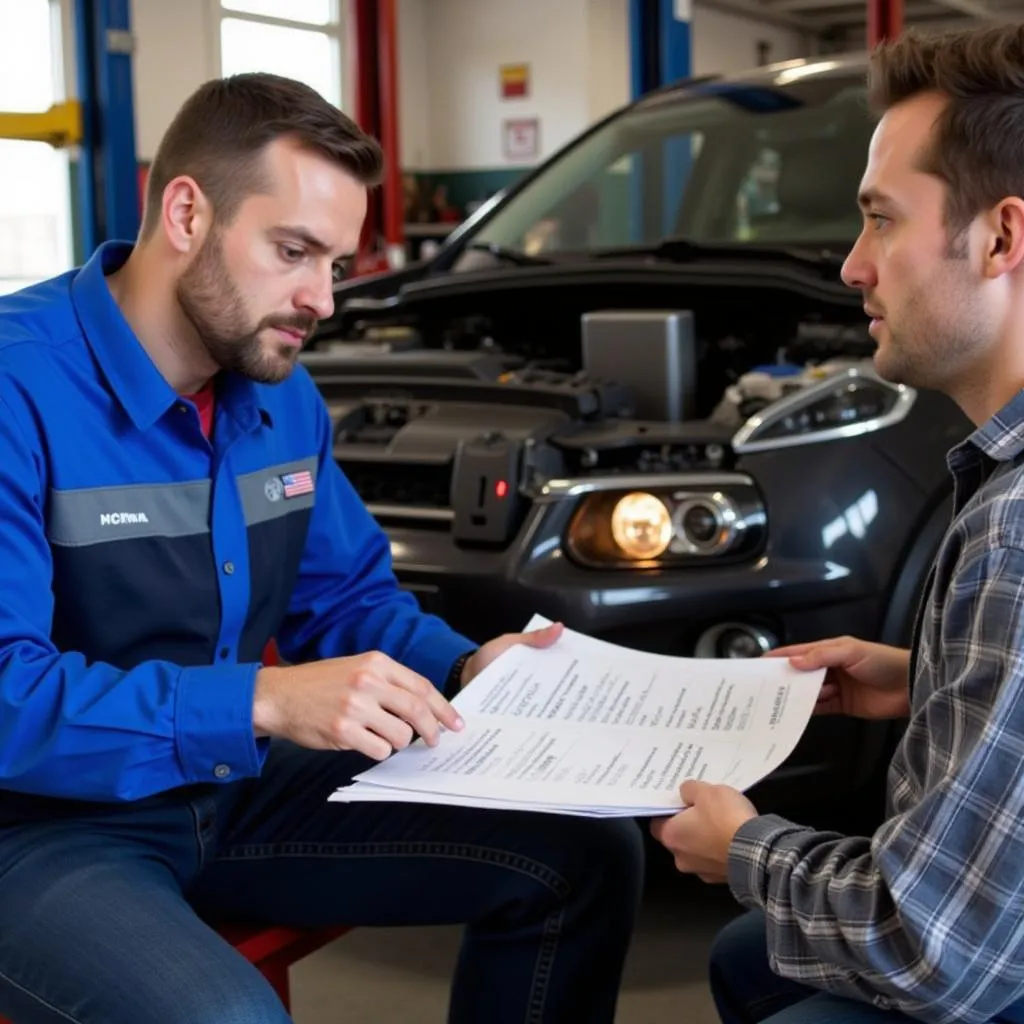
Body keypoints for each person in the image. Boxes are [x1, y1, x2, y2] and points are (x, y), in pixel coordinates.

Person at [0, 73, 644, 1024]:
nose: (323, 299)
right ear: (186, 212)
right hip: (43, 827)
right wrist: (260, 698)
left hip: (228, 790)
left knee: (585, 852)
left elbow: (345, 602)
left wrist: (470, 667)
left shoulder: (277, 390)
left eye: (337, 263)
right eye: (293, 251)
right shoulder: (19, 387)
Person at [650, 22, 1024, 1024]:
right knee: (749, 958)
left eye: (880, 221)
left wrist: (744, 847)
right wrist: (933, 672)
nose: (853, 267)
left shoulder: (1014, 532)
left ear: (1001, 238)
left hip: (976, 961)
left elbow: (937, 951)